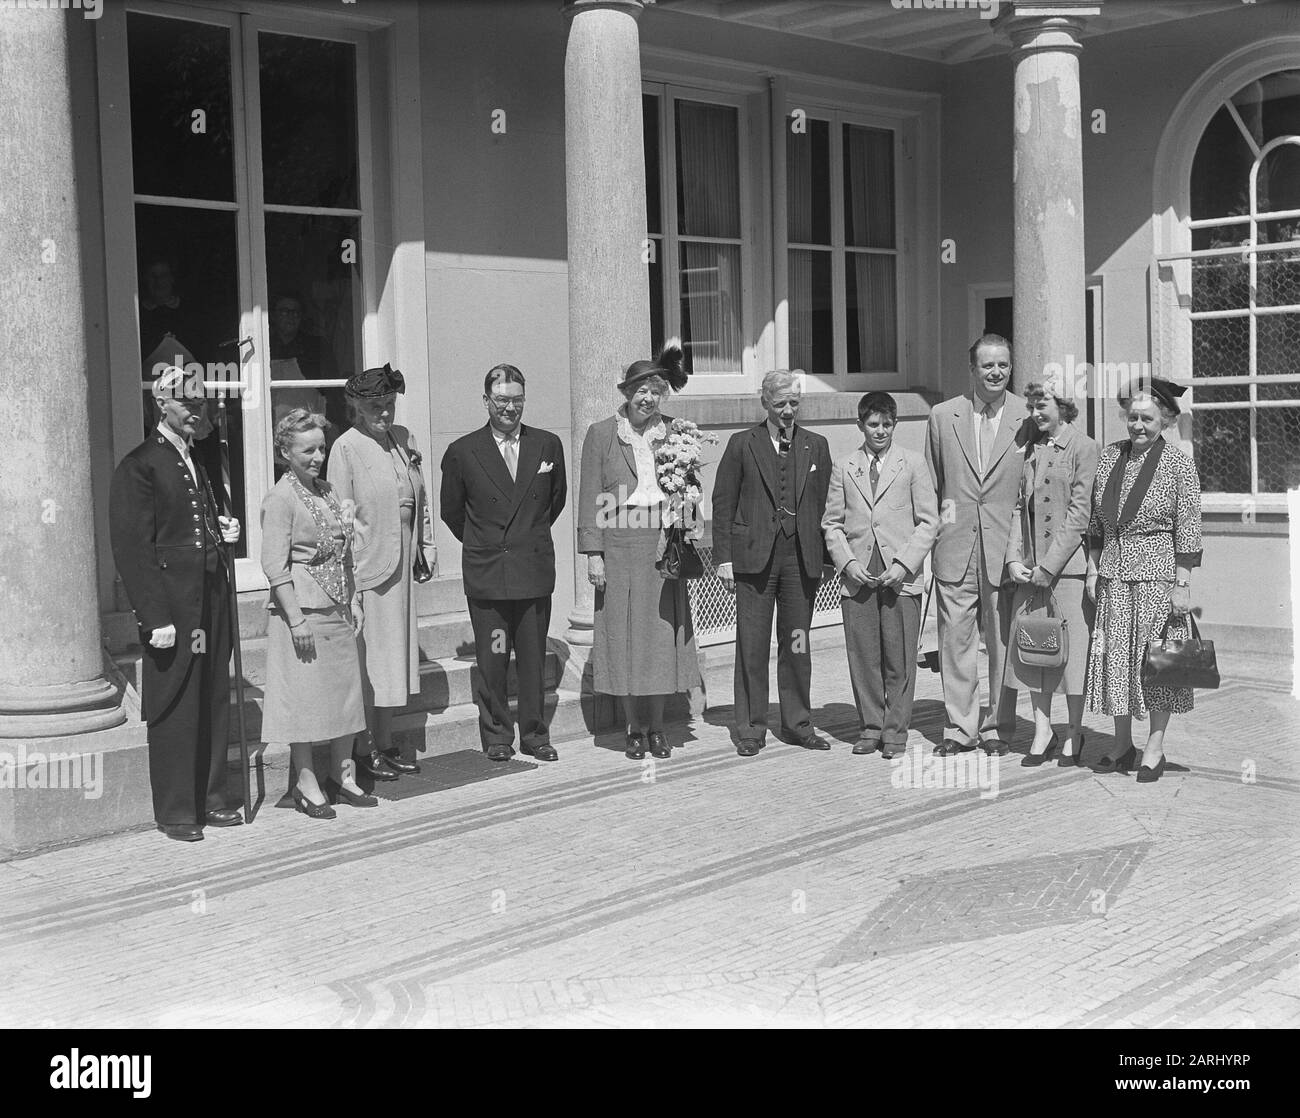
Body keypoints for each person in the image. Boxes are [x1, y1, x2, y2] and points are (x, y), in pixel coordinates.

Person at [109, 366, 243, 841]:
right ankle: (177, 810)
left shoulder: (197, 457)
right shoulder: (141, 463)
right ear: (161, 404)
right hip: (173, 607)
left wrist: (221, 531)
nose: (196, 411)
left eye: (201, 403)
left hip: (210, 595)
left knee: (211, 698)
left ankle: (211, 797)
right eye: (188, 403)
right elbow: (132, 548)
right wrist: (154, 615)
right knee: (175, 706)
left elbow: (195, 520)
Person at [577, 340, 702, 759]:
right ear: (627, 394)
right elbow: (590, 495)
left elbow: (691, 490)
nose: (648, 399)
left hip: (662, 542)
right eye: (641, 391)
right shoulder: (601, 434)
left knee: (660, 637)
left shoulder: (677, 433)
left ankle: (659, 726)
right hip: (620, 542)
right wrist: (593, 554)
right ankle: (634, 727)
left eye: (656, 391)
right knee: (628, 639)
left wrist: (689, 516)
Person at [440, 366, 567, 763]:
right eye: (501, 400)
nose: (509, 408)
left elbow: (555, 501)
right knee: (493, 659)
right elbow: (452, 512)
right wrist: (489, 544)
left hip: (532, 572)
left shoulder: (546, 445)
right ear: (486, 402)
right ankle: (497, 734)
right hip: (489, 576)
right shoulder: (463, 451)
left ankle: (534, 734)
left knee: (532, 661)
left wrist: (524, 539)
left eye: (517, 400)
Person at [1084, 385, 1202, 783]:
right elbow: (1096, 521)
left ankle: (1154, 747)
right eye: (1132, 417)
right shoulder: (1110, 456)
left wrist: (1182, 583)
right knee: (1116, 659)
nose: (1137, 425)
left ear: (1165, 420)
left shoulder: (1177, 464)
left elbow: (1188, 525)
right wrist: (1092, 566)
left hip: (1158, 575)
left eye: (1147, 418)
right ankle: (1121, 744)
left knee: (1158, 665)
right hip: (1115, 573)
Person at [712, 369, 833, 756]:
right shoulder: (741, 444)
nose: (787, 411)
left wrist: (828, 559)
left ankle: (798, 723)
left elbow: (828, 508)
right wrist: (724, 560)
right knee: (752, 644)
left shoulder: (816, 445)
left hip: (800, 561)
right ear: (764, 402)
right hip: (754, 561)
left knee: (797, 642)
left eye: (793, 404)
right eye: (780, 404)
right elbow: (723, 503)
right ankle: (751, 728)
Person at [260, 410, 373, 818]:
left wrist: (355, 600)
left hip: (338, 606)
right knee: (304, 702)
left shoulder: (329, 491)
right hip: (303, 611)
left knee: (346, 697)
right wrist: (295, 620)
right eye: (307, 449)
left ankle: (343, 776)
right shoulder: (280, 497)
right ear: (285, 452)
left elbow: (348, 549)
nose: (317, 456)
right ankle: (306, 783)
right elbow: (275, 565)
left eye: (321, 448)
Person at [924, 334, 1031, 757]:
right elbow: (932, 486)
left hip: (1005, 551)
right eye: (987, 365)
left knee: (1002, 645)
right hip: (955, 549)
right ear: (972, 369)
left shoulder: (1027, 416)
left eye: (1003, 365)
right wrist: (932, 540)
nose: (996, 372)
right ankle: (960, 727)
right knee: (955, 641)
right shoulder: (942, 415)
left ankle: (997, 728)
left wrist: (1021, 551)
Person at [327, 364, 434, 782]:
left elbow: (419, 495)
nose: (385, 414)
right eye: (375, 407)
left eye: (389, 405)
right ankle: (364, 745)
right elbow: (341, 515)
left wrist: (425, 546)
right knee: (371, 661)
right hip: (369, 567)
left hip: (402, 562)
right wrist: (347, 578)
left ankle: (387, 740)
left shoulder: (403, 438)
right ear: (356, 406)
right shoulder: (345, 447)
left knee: (395, 660)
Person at [822, 392, 938, 759]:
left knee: (899, 657)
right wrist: (847, 563)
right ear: (860, 425)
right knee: (864, 655)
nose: (880, 431)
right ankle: (870, 727)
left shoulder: (913, 464)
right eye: (873, 424)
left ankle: (895, 730)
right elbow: (832, 523)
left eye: (887, 424)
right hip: (859, 575)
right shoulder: (844, 466)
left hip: (899, 575)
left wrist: (904, 565)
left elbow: (929, 521)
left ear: (895, 425)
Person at [1004, 380, 1100, 767]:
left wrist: (1050, 566)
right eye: (1030, 407)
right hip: (1030, 571)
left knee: (1071, 657)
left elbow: (1080, 514)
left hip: (1067, 571)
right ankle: (1042, 729)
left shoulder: (1084, 446)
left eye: (1040, 405)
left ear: (1062, 404)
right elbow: (1017, 509)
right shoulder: (1032, 449)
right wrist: (1015, 559)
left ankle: (1074, 731)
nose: (1034, 414)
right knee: (1033, 652)